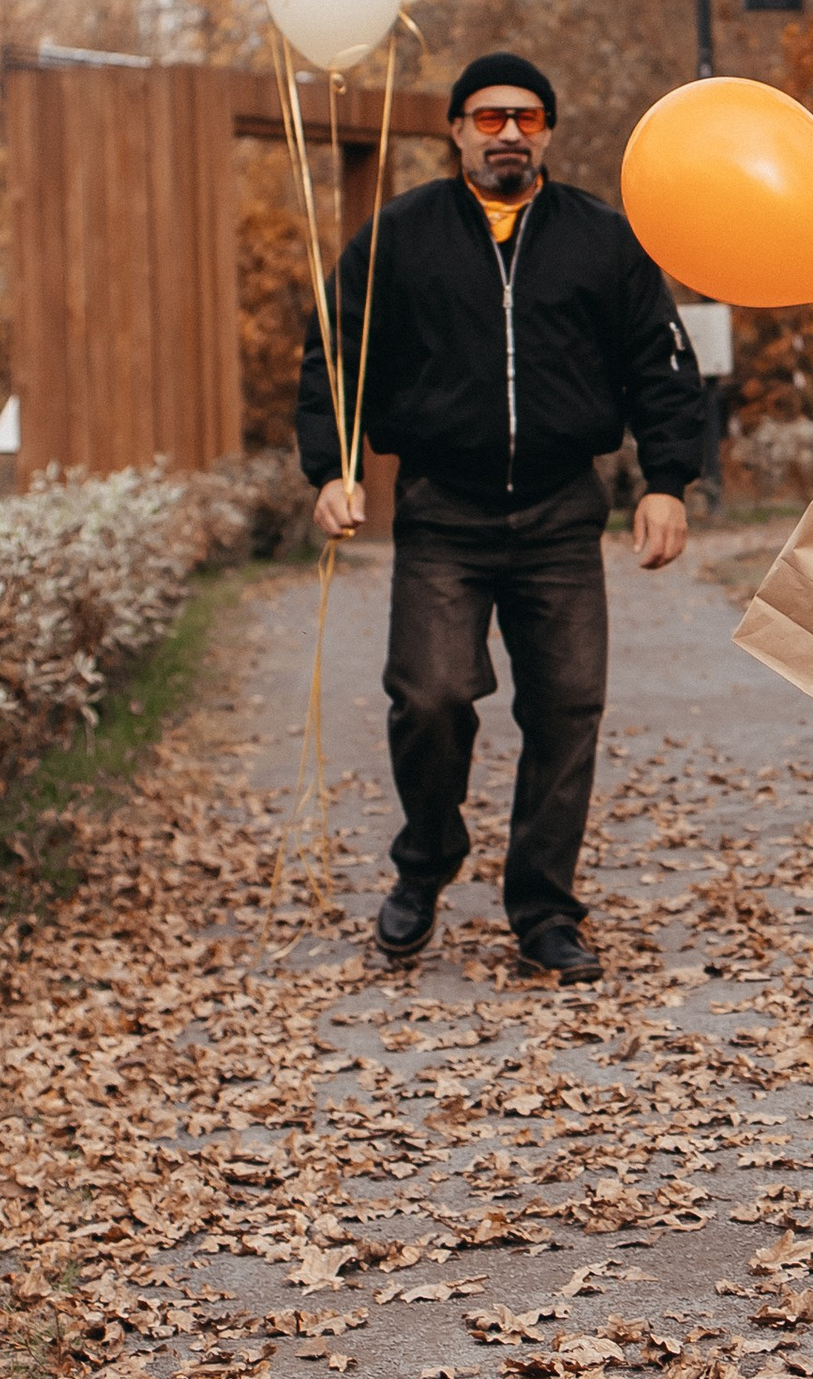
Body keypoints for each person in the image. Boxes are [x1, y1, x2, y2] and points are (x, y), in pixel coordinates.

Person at [298, 48, 708, 983]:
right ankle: (425, 862)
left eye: (527, 117)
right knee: (431, 697)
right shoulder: (401, 236)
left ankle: (545, 910)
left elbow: (660, 363)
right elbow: (335, 353)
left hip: (563, 513)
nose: (509, 133)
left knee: (566, 709)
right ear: (456, 131)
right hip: (442, 511)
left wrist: (666, 480)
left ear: (549, 132)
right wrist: (331, 468)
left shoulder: (604, 240)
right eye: (489, 118)